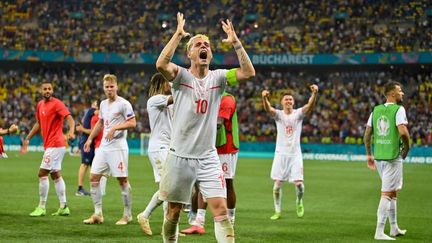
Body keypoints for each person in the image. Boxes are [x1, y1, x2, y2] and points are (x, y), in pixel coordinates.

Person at [156, 12, 255, 243]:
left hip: (209, 156)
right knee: (174, 212)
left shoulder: (219, 78)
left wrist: (237, 43)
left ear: (210, 54)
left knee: (221, 211)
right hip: (179, 155)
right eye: (198, 44)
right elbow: (161, 63)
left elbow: (249, 72)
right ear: (190, 53)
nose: (204, 47)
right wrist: (178, 35)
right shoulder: (180, 77)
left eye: (207, 45)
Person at [182, 92, 240, 235]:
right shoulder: (209, 98)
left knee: (227, 183)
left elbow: (219, 123)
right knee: (204, 181)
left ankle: (231, 219)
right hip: (209, 147)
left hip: (226, 148)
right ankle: (198, 222)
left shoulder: (227, 99)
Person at [82, 74, 136, 225]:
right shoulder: (103, 104)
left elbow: (132, 123)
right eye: (107, 87)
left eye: (112, 86)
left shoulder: (124, 104)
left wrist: (115, 128)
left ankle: (127, 215)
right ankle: (98, 214)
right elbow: (100, 123)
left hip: (118, 148)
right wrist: (90, 138)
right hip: (104, 147)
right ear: (103, 88)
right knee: (93, 177)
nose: (109, 89)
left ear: (116, 87)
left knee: (122, 180)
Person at [261, 85, 318, 220]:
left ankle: (299, 201)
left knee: (299, 185)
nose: (288, 101)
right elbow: (268, 109)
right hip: (281, 154)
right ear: (282, 102)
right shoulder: (279, 115)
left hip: (295, 154)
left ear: (293, 102)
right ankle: (277, 211)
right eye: (286, 99)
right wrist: (264, 98)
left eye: (290, 99)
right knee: (277, 185)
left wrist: (315, 94)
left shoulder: (298, 114)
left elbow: (309, 106)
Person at [363, 81, 410, 241]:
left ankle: (394, 227)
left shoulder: (375, 110)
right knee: (387, 194)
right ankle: (379, 231)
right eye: (399, 90)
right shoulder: (399, 109)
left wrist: (369, 154)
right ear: (392, 94)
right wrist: (407, 148)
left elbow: (367, 135)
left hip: (379, 157)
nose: (402, 93)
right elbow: (403, 132)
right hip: (392, 157)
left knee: (393, 192)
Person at [23, 80, 75, 217]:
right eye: (45, 89)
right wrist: (28, 137)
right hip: (51, 145)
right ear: (41, 91)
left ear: (52, 90)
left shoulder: (57, 104)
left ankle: (41, 206)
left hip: (56, 144)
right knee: (55, 174)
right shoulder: (40, 105)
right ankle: (64, 207)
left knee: (42, 174)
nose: (47, 91)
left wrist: (71, 131)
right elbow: (38, 123)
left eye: (49, 89)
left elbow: (70, 118)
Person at [137, 73, 173, 235]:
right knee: (168, 186)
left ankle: (169, 225)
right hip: (159, 148)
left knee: (169, 187)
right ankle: (145, 215)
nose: (170, 84)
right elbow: (177, 97)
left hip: (169, 147)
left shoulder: (167, 102)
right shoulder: (155, 100)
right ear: (161, 83)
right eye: (168, 82)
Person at [75, 100, 98, 196]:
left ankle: (93, 188)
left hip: (89, 141)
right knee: (85, 164)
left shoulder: (90, 115)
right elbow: (91, 131)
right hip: (87, 141)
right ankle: (80, 188)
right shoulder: (91, 110)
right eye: (97, 104)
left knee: (92, 166)